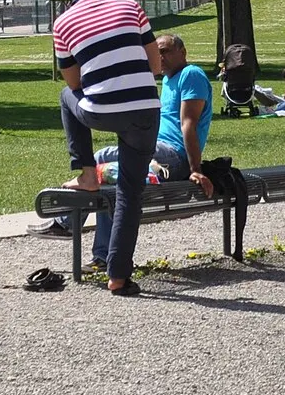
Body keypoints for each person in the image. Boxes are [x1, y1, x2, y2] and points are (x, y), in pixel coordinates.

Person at [51, 0, 161, 297]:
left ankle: (86, 172)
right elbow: (155, 64)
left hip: (100, 110)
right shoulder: (130, 6)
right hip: (145, 108)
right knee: (130, 192)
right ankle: (118, 276)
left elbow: (72, 81)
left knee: (65, 97)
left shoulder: (63, 23)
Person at [81, 31, 210, 272]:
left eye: (165, 51)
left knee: (111, 174)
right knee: (98, 160)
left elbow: (188, 123)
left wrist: (195, 170)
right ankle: (97, 250)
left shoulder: (191, 74)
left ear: (182, 53)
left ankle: (80, 233)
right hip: (155, 150)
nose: (160, 57)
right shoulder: (168, 81)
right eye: (156, 52)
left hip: (173, 156)